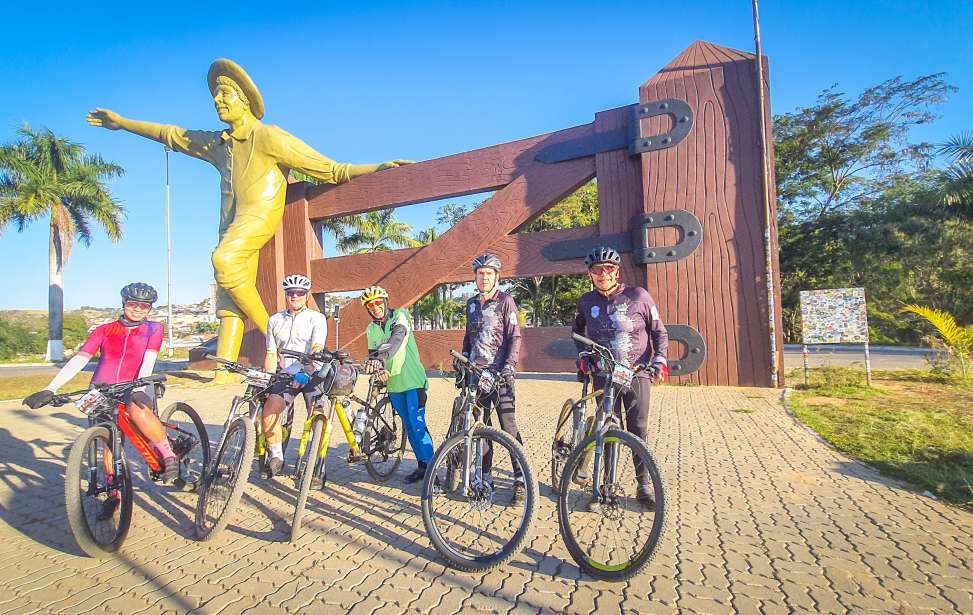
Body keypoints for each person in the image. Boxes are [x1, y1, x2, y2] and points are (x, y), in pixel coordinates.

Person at [86, 58, 411, 375]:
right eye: (215, 95)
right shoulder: (219, 144)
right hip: (229, 222)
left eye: (225, 94)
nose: (217, 100)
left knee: (224, 261)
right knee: (228, 302)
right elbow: (172, 135)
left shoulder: (269, 137)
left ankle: (279, 336)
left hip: (257, 218)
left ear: (245, 100)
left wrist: (376, 168)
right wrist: (123, 123)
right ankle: (223, 370)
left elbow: (330, 169)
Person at [24, 283, 174, 517]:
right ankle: (114, 494)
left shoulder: (154, 329)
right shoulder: (105, 329)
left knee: (138, 413)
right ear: (124, 303)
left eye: (144, 306)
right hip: (102, 389)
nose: (137, 309)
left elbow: (148, 359)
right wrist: (50, 388)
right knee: (108, 442)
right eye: (133, 304)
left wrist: (140, 385)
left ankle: (168, 455)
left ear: (149, 309)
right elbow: (80, 359)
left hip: (135, 384)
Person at [571, 246, 669, 509]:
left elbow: (660, 333)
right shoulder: (586, 302)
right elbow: (577, 332)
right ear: (590, 274)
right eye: (597, 270)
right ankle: (605, 486)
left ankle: (644, 485)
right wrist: (583, 356)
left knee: (638, 430)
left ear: (617, 271)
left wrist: (660, 360)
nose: (603, 274)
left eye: (608, 269)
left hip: (637, 373)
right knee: (606, 429)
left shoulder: (638, 296)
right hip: (604, 375)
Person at [461, 253, 526, 502]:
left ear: (496, 277)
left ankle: (520, 478)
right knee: (481, 426)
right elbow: (469, 337)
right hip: (477, 375)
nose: (484, 278)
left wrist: (509, 365)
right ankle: (485, 477)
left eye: (489, 274)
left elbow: (515, 337)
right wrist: (465, 359)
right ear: (475, 278)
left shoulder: (505, 301)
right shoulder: (470, 304)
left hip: (500, 376)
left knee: (508, 428)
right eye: (480, 274)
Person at [360, 286, 435, 483]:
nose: (375, 307)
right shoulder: (371, 328)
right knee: (409, 426)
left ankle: (433, 472)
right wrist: (377, 369)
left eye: (378, 303)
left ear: (385, 302)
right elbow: (373, 355)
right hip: (393, 385)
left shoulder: (400, 316)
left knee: (418, 425)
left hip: (412, 381)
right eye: (370, 305)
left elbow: (397, 338)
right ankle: (422, 466)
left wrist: (380, 360)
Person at [261, 274, 328, 477]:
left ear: (306, 295)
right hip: (287, 374)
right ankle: (276, 455)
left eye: (300, 293)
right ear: (286, 295)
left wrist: (306, 371)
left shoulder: (316, 318)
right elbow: (272, 353)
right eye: (291, 293)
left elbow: (317, 348)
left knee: (319, 415)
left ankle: (317, 464)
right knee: (269, 412)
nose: (295, 296)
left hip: (312, 372)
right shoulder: (274, 320)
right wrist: (267, 378)